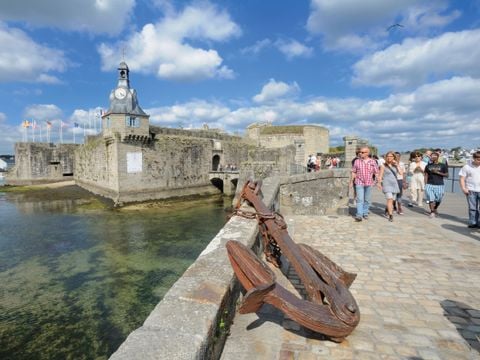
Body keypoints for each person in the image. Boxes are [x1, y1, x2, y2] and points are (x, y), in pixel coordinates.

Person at [350, 146, 379, 222]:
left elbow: (376, 172)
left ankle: (365, 212)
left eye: (362, 152)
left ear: (367, 153)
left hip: (369, 183)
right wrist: (351, 182)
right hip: (359, 182)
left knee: (367, 200)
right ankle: (359, 215)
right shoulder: (357, 161)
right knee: (359, 199)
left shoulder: (372, 162)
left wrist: (378, 182)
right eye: (360, 152)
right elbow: (353, 171)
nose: (360, 153)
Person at [377, 151, 400, 222]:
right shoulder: (383, 165)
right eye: (388, 156)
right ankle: (391, 215)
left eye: (391, 156)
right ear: (386, 157)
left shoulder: (395, 165)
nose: (389, 158)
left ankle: (387, 208)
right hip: (387, 184)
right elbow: (380, 175)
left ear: (394, 157)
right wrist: (379, 183)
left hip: (394, 184)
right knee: (389, 199)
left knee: (392, 200)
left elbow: (401, 173)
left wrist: (397, 165)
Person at [459, 151, 480, 228]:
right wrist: (463, 188)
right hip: (471, 190)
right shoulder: (467, 167)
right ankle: (473, 222)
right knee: (472, 208)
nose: (479, 161)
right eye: (478, 159)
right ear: (474, 158)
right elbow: (462, 178)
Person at [424, 152, 449, 218]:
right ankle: (432, 212)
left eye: (435, 156)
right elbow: (426, 175)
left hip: (440, 184)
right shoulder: (428, 166)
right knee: (431, 198)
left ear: (438, 157)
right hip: (429, 184)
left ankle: (435, 208)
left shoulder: (443, 165)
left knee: (439, 199)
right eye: (432, 156)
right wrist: (425, 184)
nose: (433, 157)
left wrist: (437, 172)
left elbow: (447, 175)